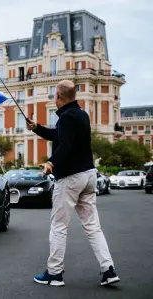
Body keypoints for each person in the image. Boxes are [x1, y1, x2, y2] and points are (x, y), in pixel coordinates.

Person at [26, 80, 120, 287]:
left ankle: (54, 273)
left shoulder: (67, 117)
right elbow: (59, 137)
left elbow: (65, 146)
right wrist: (37, 128)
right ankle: (108, 269)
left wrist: (51, 163)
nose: (53, 97)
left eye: (54, 94)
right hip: (88, 175)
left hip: (70, 178)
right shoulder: (81, 114)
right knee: (93, 227)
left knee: (59, 226)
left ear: (59, 95)